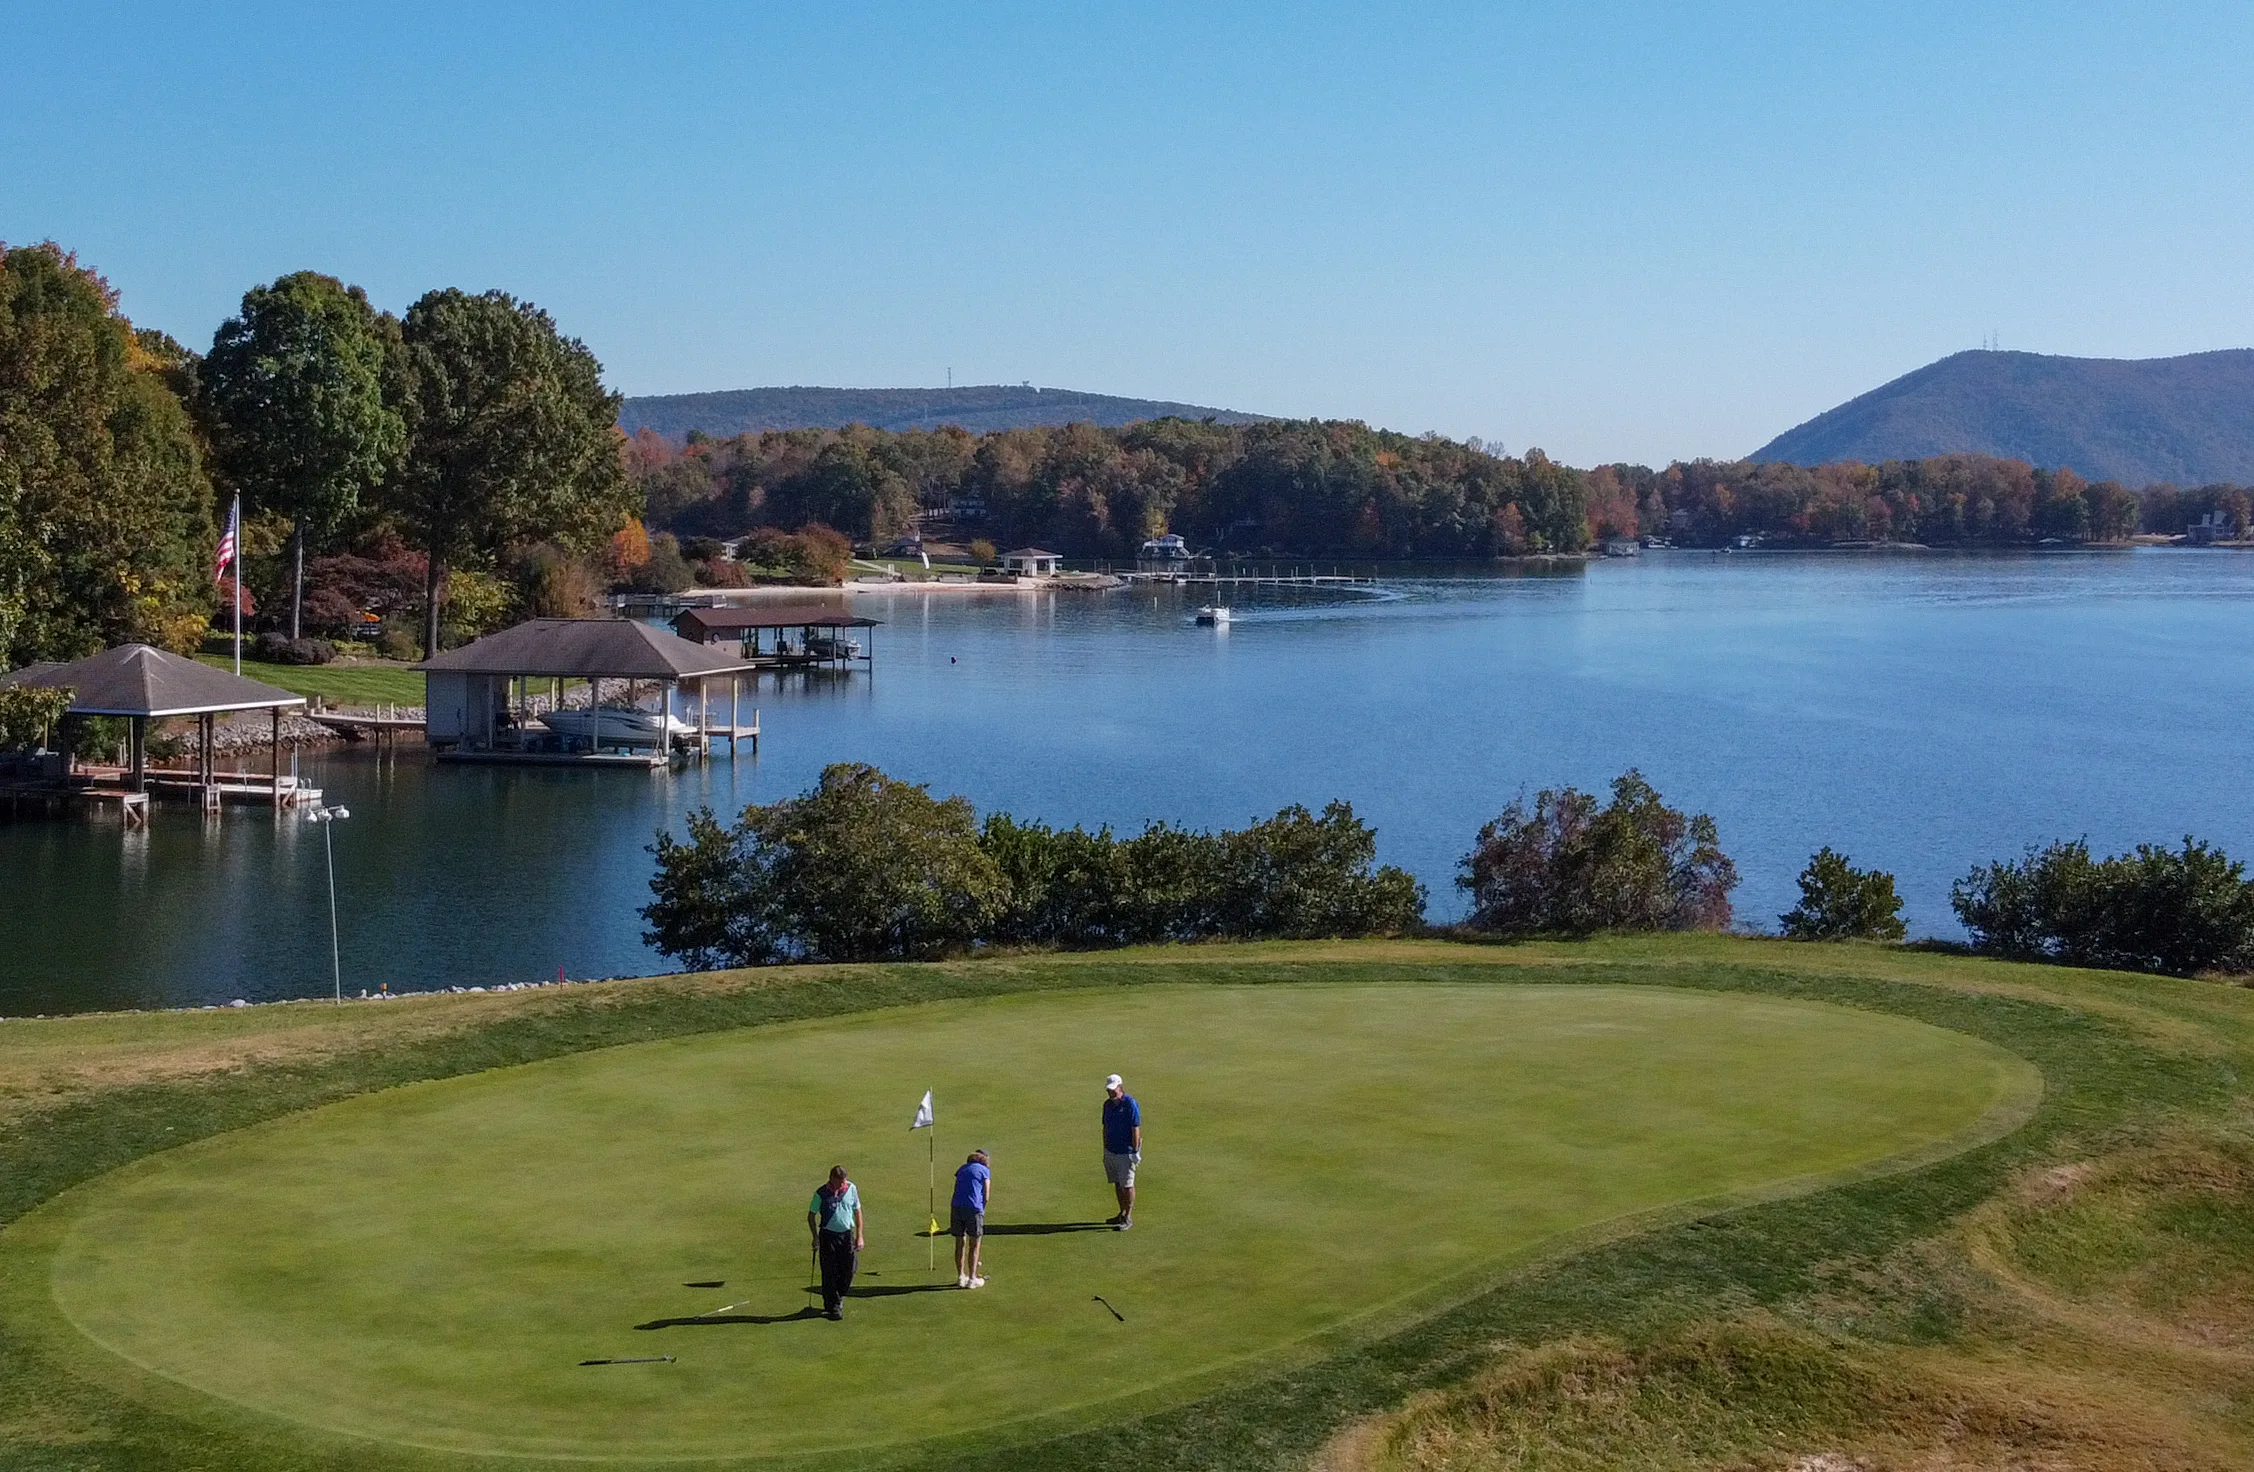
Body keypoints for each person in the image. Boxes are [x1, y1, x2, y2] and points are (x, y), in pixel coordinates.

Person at [806, 1165, 864, 1320]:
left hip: (846, 1235)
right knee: (829, 1272)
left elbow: (857, 1211)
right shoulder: (821, 1193)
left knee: (849, 1269)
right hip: (827, 1236)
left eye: (844, 1182)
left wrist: (860, 1235)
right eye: (840, 1182)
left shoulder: (851, 1188)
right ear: (832, 1179)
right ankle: (833, 1306)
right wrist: (815, 1236)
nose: (843, 1185)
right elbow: (811, 1216)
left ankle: (837, 1296)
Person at [1101, 1073, 1141, 1230]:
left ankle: (1128, 1217)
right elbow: (1105, 1127)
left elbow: (1135, 1128)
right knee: (1117, 1183)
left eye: (1113, 1090)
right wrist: (1105, 1147)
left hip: (1126, 1152)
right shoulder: (1107, 1105)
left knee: (1127, 1185)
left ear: (1120, 1087)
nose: (1111, 1093)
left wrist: (1135, 1151)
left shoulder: (1130, 1104)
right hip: (1111, 1150)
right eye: (1109, 1090)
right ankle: (1121, 1213)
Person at [951, 1149, 992, 1288]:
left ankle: (961, 1276)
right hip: (973, 1208)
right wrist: (982, 1209)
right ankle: (972, 1279)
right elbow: (986, 1194)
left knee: (959, 1241)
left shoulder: (962, 1168)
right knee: (974, 1243)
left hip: (956, 1206)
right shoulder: (984, 1170)